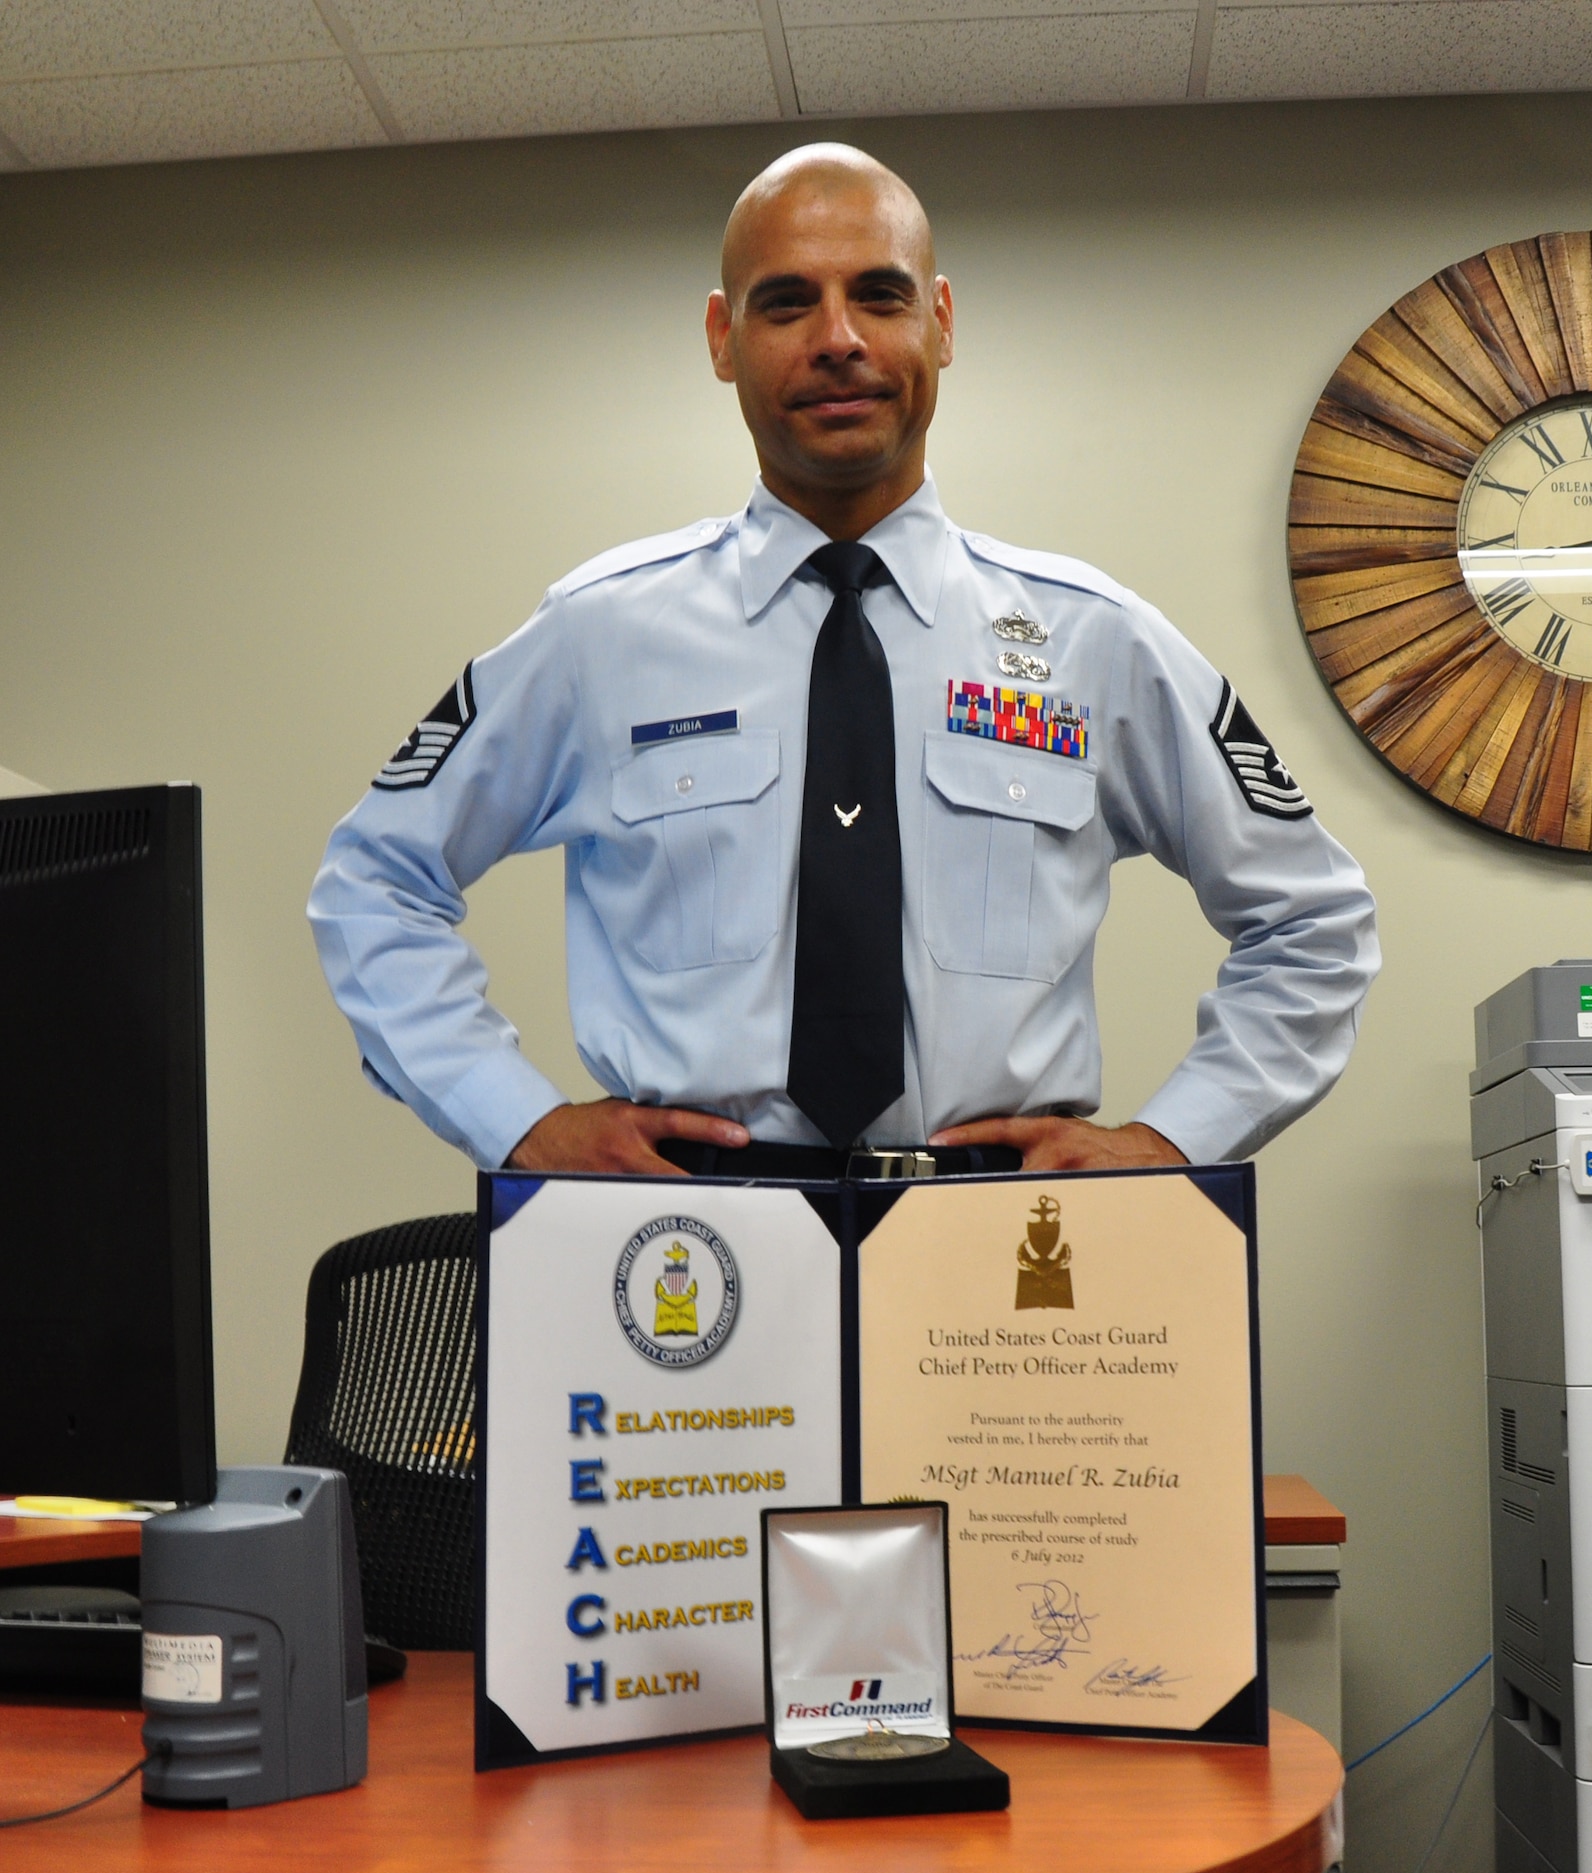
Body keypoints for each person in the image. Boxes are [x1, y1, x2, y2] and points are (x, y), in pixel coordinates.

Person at [309, 145, 1378, 1182]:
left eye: (878, 295)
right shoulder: (600, 635)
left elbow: (1312, 917)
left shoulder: (1090, 641)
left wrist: (1174, 1140)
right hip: (682, 1245)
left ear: (941, 321)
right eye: (785, 303)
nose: (837, 339)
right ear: (723, 338)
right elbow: (373, 881)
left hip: (996, 1251)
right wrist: (516, 1120)